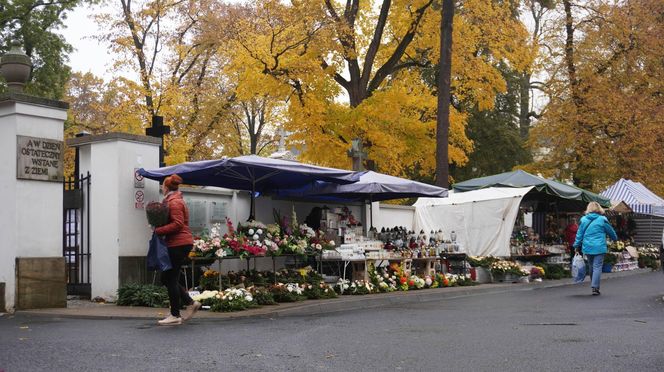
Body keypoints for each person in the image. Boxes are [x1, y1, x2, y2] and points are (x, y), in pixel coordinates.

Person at [154, 174, 201, 325]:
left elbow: (178, 224)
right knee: (167, 278)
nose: (161, 187)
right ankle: (189, 303)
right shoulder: (173, 200)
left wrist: (158, 230)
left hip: (178, 244)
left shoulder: (174, 202)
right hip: (178, 243)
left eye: (162, 185)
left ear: (166, 187)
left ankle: (175, 315)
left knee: (169, 278)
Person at [573, 202, 618, 296]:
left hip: (587, 247)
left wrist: (576, 246)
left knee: (591, 266)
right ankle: (595, 287)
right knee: (597, 266)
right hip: (599, 247)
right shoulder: (602, 219)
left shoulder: (584, 220)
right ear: (599, 209)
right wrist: (615, 238)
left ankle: (594, 285)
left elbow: (579, 234)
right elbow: (611, 231)